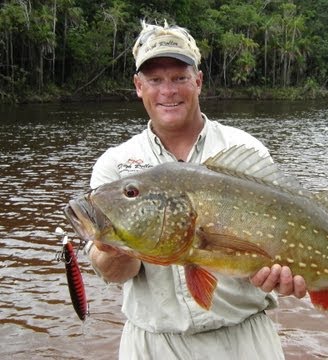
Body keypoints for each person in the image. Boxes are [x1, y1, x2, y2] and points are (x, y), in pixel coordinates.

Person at [86, 20, 306, 360]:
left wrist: (285, 276)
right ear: (138, 86)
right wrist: (110, 247)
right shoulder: (115, 166)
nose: (168, 91)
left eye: (179, 78)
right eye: (155, 80)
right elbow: (118, 274)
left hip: (245, 338)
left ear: (198, 81)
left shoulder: (244, 149)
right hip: (152, 343)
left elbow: (284, 237)